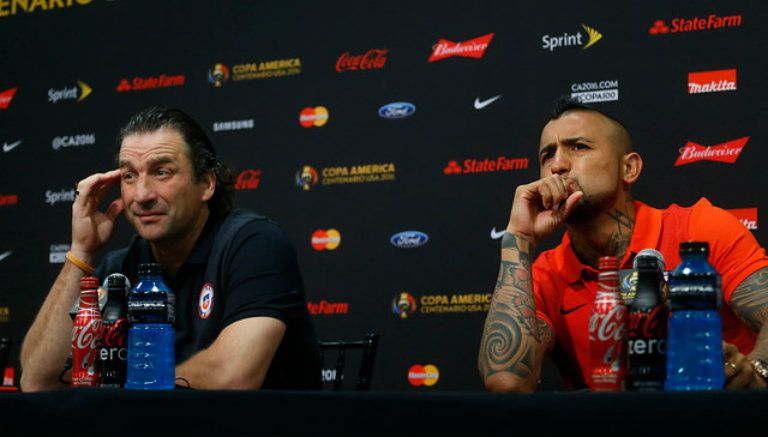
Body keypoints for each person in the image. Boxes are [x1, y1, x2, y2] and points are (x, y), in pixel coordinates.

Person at [478, 96, 768, 392]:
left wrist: (757, 372)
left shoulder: (699, 228)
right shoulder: (546, 274)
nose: (558, 165)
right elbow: (506, 383)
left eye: (578, 147)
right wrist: (520, 238)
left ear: (629, 168)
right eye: (547, 156)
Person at [20, 107, 321, 391]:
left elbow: (232, 375)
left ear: (206, 183)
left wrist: (126, 388)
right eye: (129, 175)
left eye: (161, 172)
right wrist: (81, 252)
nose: (142, 195)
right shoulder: (120, 268)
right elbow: (38, 380)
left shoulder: (254, 244)